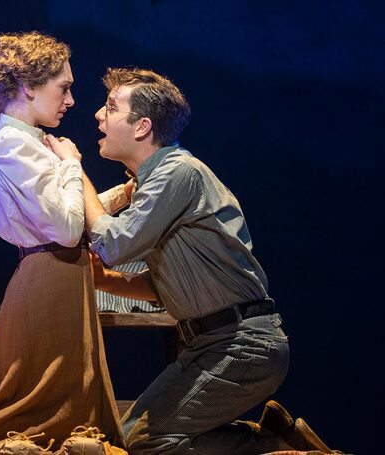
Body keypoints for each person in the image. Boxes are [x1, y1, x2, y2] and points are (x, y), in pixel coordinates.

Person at [0, 32, 128, 454]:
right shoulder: (14, 145)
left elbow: (62, 215)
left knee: (64, 398)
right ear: (28, 86)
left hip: (62, 274)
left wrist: (122, 195)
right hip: (49, 276)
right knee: (31, 406)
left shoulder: (31, 141)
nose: (70, 100)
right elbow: (68, 228)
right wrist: (72, 164)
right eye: (64, 87)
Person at [81, 67, 295, 454]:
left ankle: (273, 447)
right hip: (211, 342)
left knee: (147, 440)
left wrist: (74, 174)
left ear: (142, 126)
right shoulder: (156, 180)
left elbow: (114, 242)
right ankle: (273, 440)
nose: (98, 115)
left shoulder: (178, 172)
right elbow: (165, 285)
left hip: (241, 343)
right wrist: (105, 281)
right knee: (134, 434)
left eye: (110, 107)